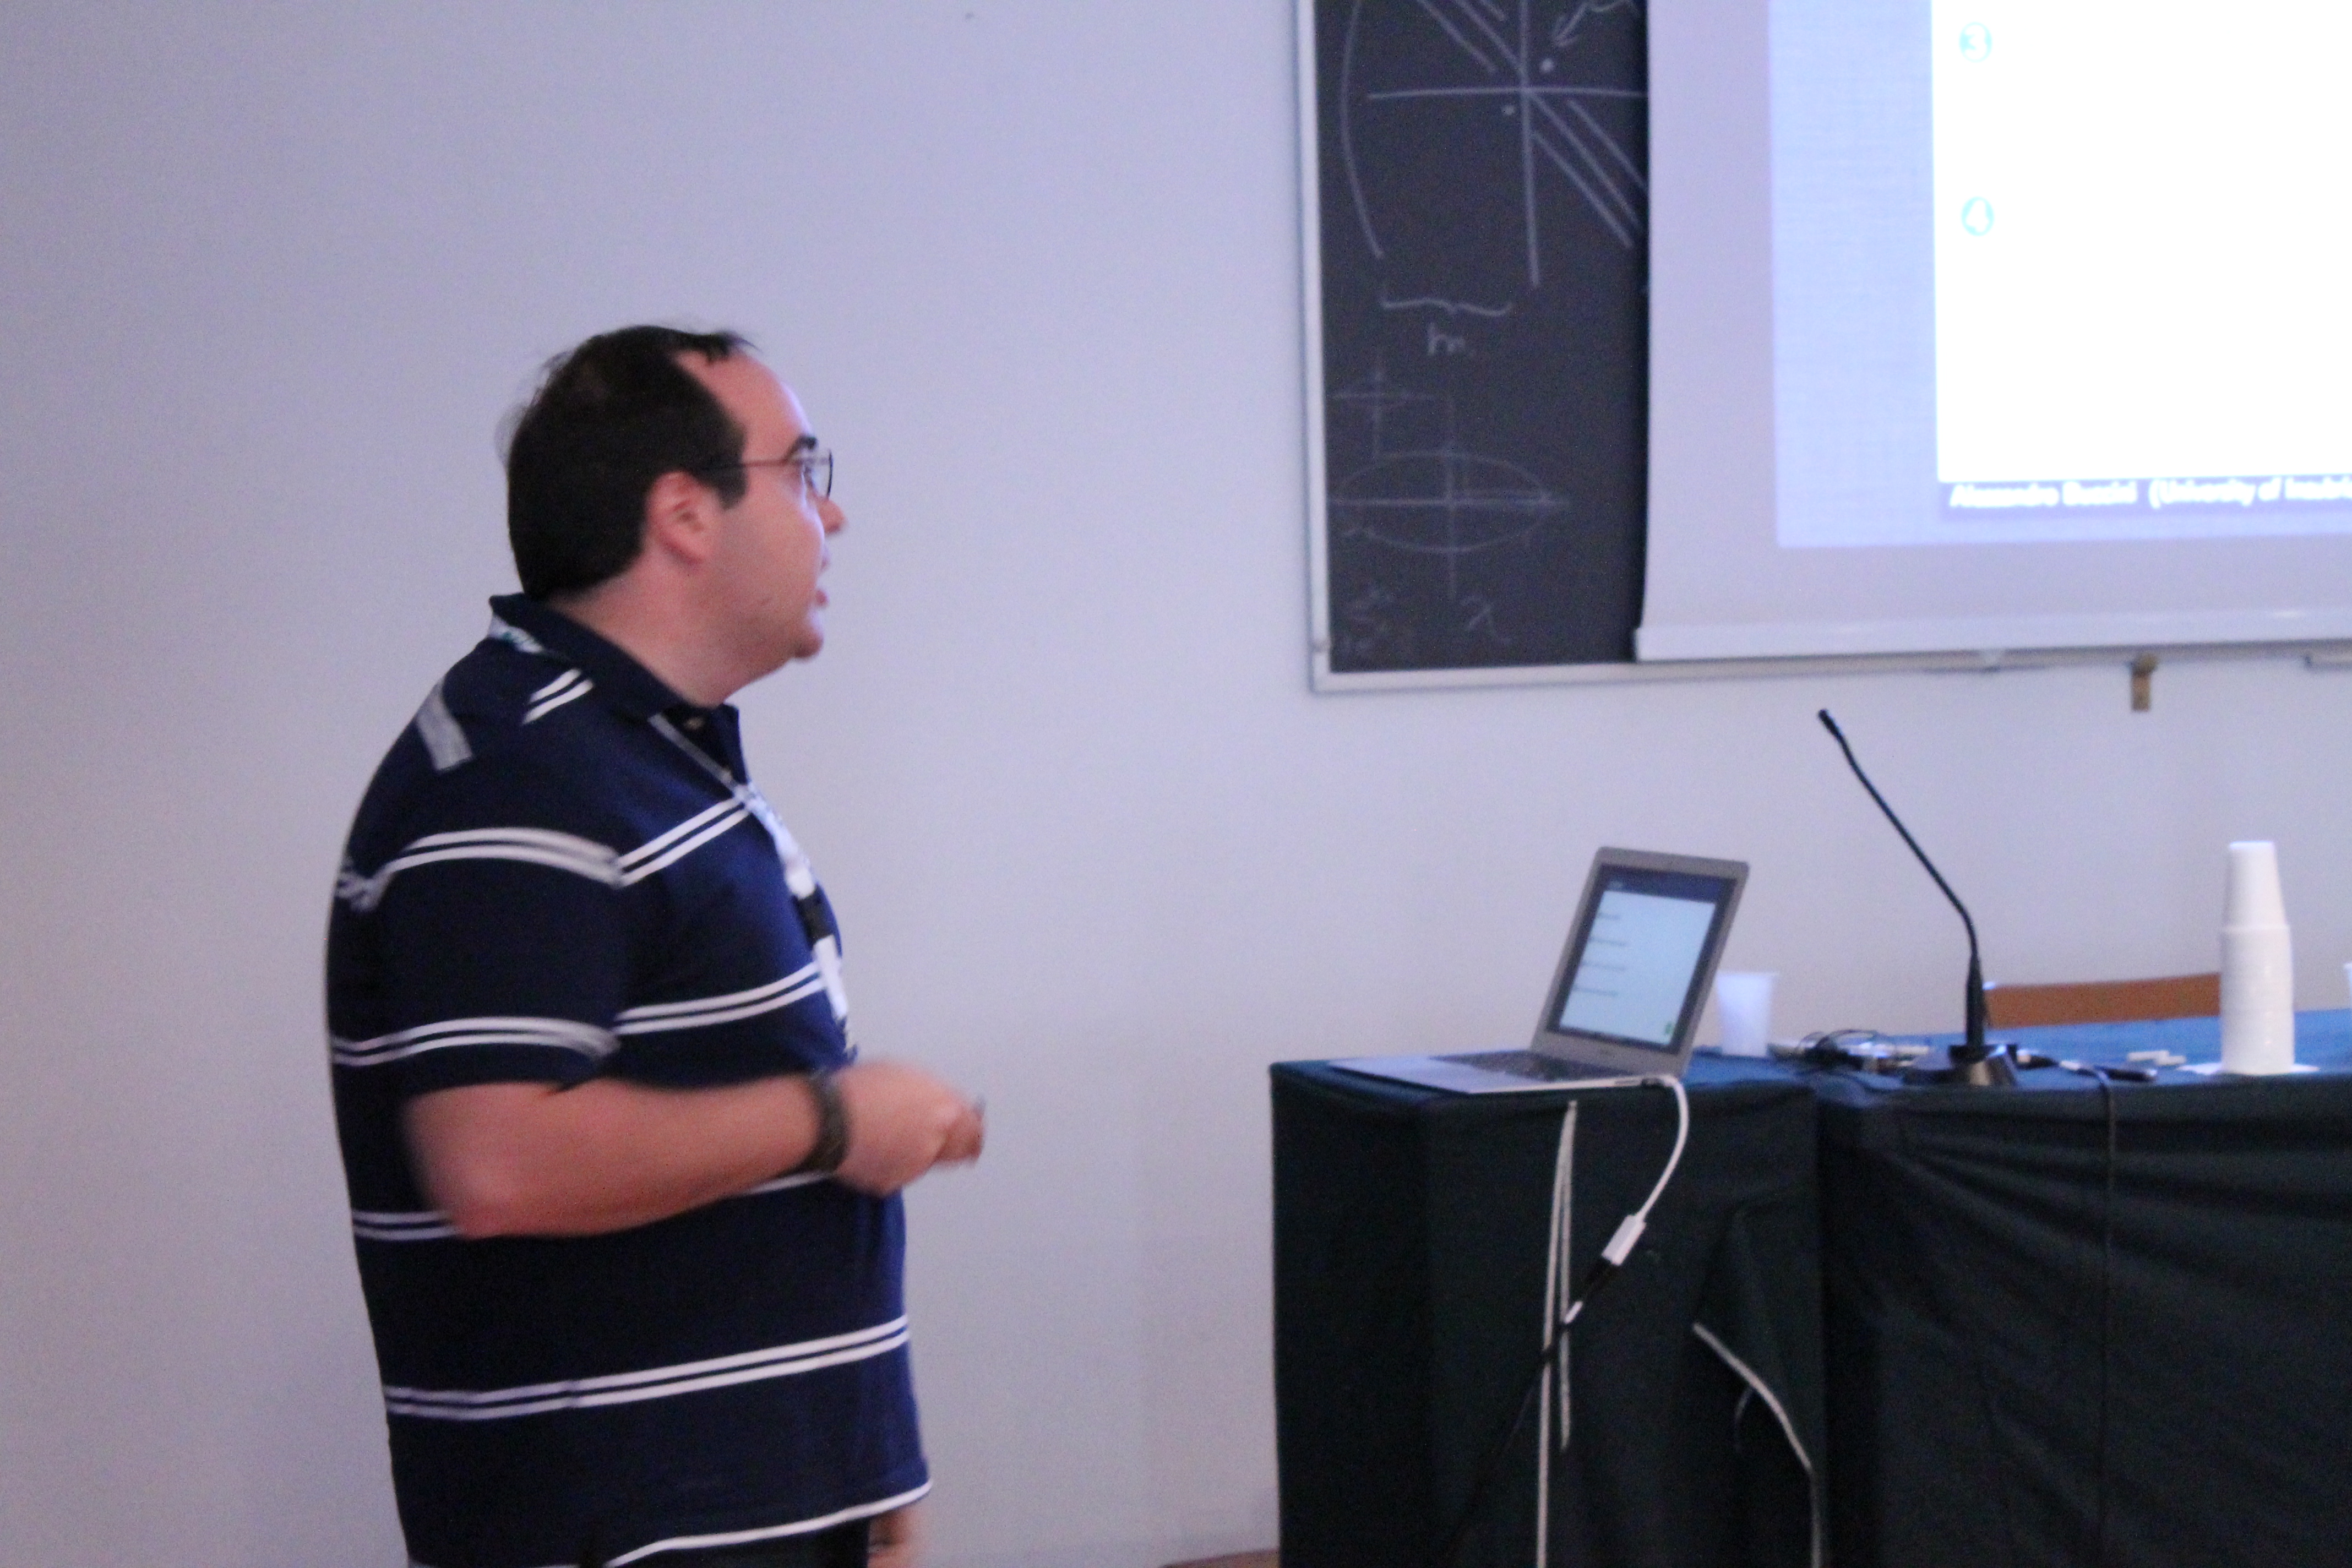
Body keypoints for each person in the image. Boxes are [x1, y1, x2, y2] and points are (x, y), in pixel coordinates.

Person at [325, 325, 984, 1568]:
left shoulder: (640, 763)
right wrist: (837, 1119)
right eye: (802, 470)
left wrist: (865, 1481)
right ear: (684, 512)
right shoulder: (518, 774)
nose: (832, 515)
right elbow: (498, 1159)